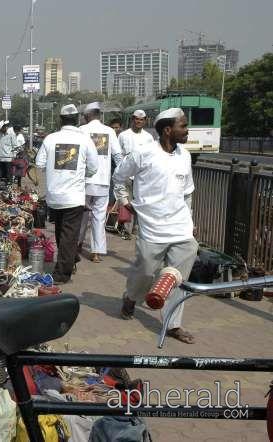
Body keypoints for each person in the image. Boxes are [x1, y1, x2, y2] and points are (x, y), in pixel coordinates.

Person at [113, 108, 198, 344]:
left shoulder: (185, 156)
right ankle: (131, 297)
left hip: (180, 228)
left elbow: (188, 193)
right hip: (151, 228)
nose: (187, 130)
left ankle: (173, 324)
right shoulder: (143, 153)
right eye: (183, 126)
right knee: (146, 272)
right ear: (168, 130)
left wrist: (190, 222)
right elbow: (119, 177)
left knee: (178, 279)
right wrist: (124, 201)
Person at [35, 104, 98, 284]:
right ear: (77, 120)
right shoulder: (85, 140)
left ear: (60, 120)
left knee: (61, 232)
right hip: (74, 196)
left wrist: (54, 174)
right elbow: (93, 168)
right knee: (69, 235)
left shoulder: (50, 139)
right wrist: (79, 175)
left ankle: (69, 260)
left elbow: (39, 163)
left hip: (54, 196)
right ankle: (63, 273)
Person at [78, 102, 122, 263]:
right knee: (99, 217)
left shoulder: (81, 130)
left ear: (88, 115)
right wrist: (122, 175)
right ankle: (96, 252)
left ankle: (77, 244)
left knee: (81, 216)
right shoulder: (109, 131)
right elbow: (118, 156)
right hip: (103, 181)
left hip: (84, 182)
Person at [117, 110, 154, 239]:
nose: (138, 122)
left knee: (141, 202)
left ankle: (137, 228)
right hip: (127, 174)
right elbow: (118, 155)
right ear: (132, 120)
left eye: (141, 119)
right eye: (136, 119)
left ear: (145, 121)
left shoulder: (148, 137)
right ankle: (126, 229)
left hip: (142, 176)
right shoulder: (123, 135)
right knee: (127, 202)